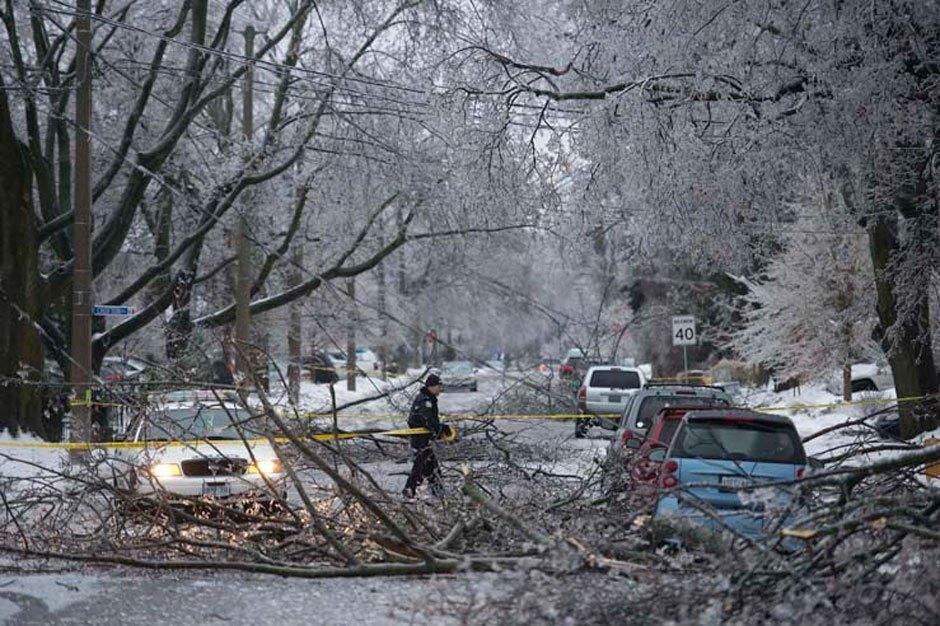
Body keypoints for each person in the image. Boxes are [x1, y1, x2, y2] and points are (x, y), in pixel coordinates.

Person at [402, 373, 450, 498]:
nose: (440, 389)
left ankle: (438, 491)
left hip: (425, 438)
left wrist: (439, 430)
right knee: (420, 465)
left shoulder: (428, 398)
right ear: (431, 386)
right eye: (439, 386)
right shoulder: (425, 400)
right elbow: (428, 421)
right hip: (420, 439)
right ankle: (410, 489)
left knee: (431, 466)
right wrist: (441, 428)